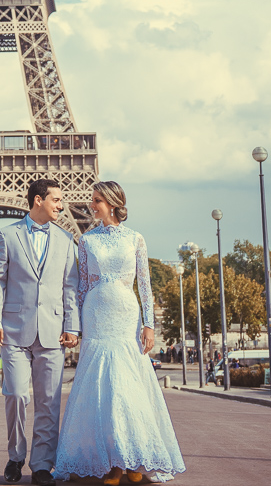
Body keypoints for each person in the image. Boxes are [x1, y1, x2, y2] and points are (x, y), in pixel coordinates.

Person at [55, 181, 185, 484]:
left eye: (98, 200)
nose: (92, 205)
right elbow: (83, 286)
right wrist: (77, 325)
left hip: (126, 314)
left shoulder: (135, 239)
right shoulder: (86, 240)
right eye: (92, 199)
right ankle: (112, 459)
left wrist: (149, 325)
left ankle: (132, 458)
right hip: (97, 314)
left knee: (126, 383)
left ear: (113, 203)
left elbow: (144, 285)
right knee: (102, 385)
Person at [0, 177, 79, 486]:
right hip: (13, 330)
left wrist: (72, 326)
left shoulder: (67, 240)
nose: (62, 205)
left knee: (49, 402)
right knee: (14, 394)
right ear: (39, 200)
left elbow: (70, 287)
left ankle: (42, 465)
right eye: (56, 199)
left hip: (53, 332)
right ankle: (16, 455)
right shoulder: (7, 235)